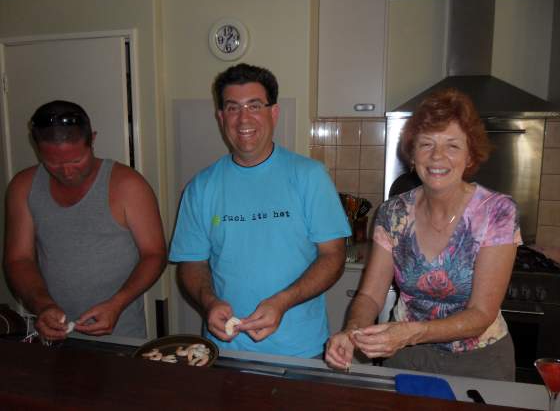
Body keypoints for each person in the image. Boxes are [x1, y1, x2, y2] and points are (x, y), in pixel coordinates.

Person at [325, 88, 521, 380]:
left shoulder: (497, 212)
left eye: (452, 146)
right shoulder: (393, 213)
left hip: (480, 363)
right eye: (426, 144)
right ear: (412, 154)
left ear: (469, 155)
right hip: (407, 361)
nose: (437, 156)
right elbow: (370, 294)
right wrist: (353, 331)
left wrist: (411, 333)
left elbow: (481, 314)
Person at [169, 63, 351, 358]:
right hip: (226, 350)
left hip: (301, 351)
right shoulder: (201, 187)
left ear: (273, 113)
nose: (243, 118)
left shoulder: (309, 176)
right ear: (220, 117)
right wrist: (209, 301)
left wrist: (282, 301)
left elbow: (334, 256)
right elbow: (191, 263)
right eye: (232, 108)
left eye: (254, 105)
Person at [4, 100, 167, 340]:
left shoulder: (128, 185)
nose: (67, 172)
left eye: (76, 160)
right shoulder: (23, 186)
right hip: (54, 333)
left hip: (120, 334)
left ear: (93, 139)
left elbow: (155, 254)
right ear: (37, 148)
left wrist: (117, 303)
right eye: (54, 164)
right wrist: (43, 305)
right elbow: (19, 259)